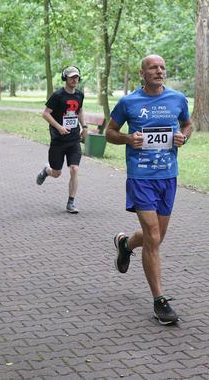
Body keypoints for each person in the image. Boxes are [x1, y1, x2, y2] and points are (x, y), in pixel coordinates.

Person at [106, 54, 192, 325]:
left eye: (162, 67)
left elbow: (188, 125)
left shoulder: (177, 100)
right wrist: (128, 138)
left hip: (168, 176)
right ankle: (159, 301)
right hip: (141, 177)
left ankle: (126, 244)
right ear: (142, 72)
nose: (159, 71)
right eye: (153, 67)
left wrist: (183, 137)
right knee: (153, 237)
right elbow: (109, 132)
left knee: (156, 236)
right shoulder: (129, 102)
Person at [36, 66, 86, 213]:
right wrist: (59, 127)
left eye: (76, 77)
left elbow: (80, 110)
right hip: (58, 140)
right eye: (71, 77)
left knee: (74, 169)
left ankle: (71, 202)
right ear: (65, 78)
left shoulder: (79, 95)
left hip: (73, 139)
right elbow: (45, 113)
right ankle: (47, 170)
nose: (74, 79)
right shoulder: (58, 95)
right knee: (57, 173)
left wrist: (85, 127)